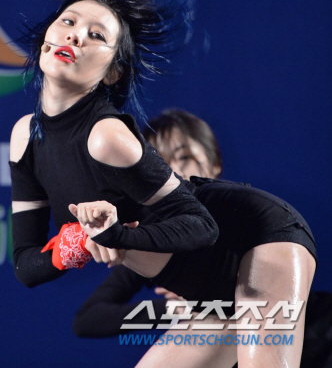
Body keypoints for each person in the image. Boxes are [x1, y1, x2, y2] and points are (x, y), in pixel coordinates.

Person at [10, 0, 317, 368]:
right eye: (68, 21)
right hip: (204, 296)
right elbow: (28, 266)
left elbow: (202, 226)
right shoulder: (25, 137)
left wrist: (114, 235)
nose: (76, 35)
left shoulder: (106, 136)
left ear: (112, 72)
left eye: (97, 35)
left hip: (258, 238)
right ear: (47, 36)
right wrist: (76, 243)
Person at [73, 110, 330, 368]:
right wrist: (180, 308)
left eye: (184, 157)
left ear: (214, 162)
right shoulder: (157, 242)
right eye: (158, 161)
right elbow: (90, 318)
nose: (172, 170)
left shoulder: (250, 216)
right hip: (219, 332)